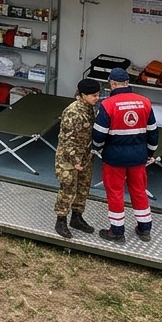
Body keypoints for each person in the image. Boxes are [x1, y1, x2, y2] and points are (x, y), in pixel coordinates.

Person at [91, 68, 158, 243]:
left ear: (112, 83)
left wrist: (96, 148)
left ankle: (117, 231)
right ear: (127, 82)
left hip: (114, 158)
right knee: (139, 191)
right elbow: (153, 132)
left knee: (115, 192)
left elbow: (99, 134)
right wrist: (150, 152)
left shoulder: (108, 105)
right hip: (138, 157)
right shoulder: (144, 102)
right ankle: (144, 229)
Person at [54, 79, 101, 238]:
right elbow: (68, 140)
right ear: (82, 95)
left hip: (85, 157)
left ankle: (77, 217)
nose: (97, 98)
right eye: (93, 95)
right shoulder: (73, 112)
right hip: (69, 160)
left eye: (98, 94)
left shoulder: (90, 109)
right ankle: (61, 220)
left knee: (82, 188)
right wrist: (75, 162)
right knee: (68, 189)